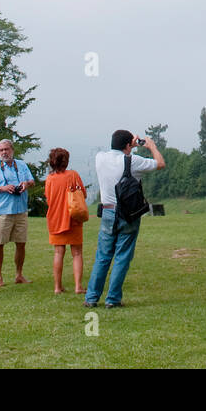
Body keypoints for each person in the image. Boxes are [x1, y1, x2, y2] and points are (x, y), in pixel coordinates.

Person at [84, 129, 164, 309]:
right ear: (128, 145)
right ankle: (112, 299)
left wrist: (130, 145)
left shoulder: (100, 158)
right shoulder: (133, 161)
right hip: (128, 214)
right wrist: (151, 146)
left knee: (103, 256)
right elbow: (160, 164)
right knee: (122, 256)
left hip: (107, 211)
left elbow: (117, 151)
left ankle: (91, 297)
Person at [0, 138, 35, 287]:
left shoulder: (22, 165)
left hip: (20, 210)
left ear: (12, 150)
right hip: (1, 211)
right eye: (1, 150)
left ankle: (19, 275)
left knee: (21, 244)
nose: (4, 152)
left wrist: (26, 184)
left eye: (6, 149)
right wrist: (3, 188)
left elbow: (32, 181)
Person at [43, 148, 87, 294]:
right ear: (66, 161)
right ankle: (78, 286)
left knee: (58, 253)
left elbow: (48, 198)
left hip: (55, 218)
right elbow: (83, 194)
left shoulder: (49, 179)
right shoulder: (73, 175)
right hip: (73, 218)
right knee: (77, 253)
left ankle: (57, 287)